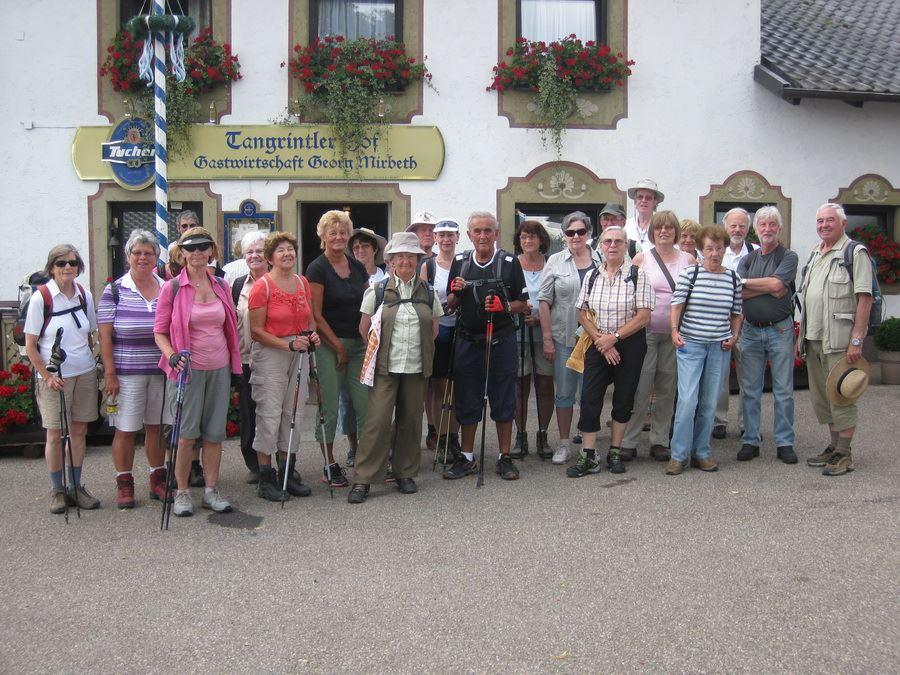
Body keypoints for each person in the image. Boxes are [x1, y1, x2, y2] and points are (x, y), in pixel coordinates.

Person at [348, 233, 443, 503]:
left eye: (410, 256)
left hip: (416, 366)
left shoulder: (428, 292)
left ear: (417, 260)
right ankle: (364, 478)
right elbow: (364, 329)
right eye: (399, 256)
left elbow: (434, 327)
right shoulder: (376, 291)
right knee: (377, 423)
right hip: (384, 367)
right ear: (390, 261)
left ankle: (404, 473)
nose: (405, 261)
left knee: (411, 422)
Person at [154, 227, 242, 516]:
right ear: (182, 253)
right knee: (186, 435)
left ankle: (211, 491)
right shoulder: (172, 287)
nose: (197, 253)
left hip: (219, 367)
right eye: (191, 248)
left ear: (212, 251)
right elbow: (159, 332)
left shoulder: (221, 286)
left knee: (215, 434)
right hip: (187, 370)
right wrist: (172, 355)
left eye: (203, 247)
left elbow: (229, 326)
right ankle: (181, 492)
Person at [444, 212, 528, 481]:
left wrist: (504, 306)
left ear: (495, 233)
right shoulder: (461, 262)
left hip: (501, 340)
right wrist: (456, 292)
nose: (482, 236)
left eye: (488, 231)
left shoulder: (509, 262)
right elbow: (451, 303)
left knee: (504, 397)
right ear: (469, 235)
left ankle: (505, 457)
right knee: (467, 397)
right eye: (477, 231)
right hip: (468, 341)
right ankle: (467, 457)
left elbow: (523, 303)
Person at [566, 226, 654, 477]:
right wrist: (601, 341)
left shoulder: (638, 275)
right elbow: (582, 311)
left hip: (629, 344)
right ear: (600, 246)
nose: (612, 245)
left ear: (626, 246)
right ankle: (589, 455)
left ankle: (615, 450)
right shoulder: (592, 276)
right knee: (590, 398)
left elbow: (644, 315)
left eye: (618, 241)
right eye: (607, 241)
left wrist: (613, 338)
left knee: (624, 398)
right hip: (597, 342)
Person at [797, 203, 874, 476]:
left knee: (842, 396)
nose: (824, 225)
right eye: (820, 221)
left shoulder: (855, 253)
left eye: (830, 220)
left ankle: (844, 452)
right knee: (824, 397)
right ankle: (833, 446)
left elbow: (865, 298)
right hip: (814, 338)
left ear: (843, 223)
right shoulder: (816, 254)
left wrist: (857, 339)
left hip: (839, 340)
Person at [24, 244, 101, 514]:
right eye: (60, 263)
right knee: (55, 434)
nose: (67, 267)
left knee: (79, 431)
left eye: (72, 262)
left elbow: (90, 332)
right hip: (55, 378)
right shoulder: (41, 298)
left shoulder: (84, 294)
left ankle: (75, 486)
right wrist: (46, 376)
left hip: (84, 372)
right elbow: (30, 345)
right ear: (51, 268)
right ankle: (57, 489)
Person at [97, 230, 169, 509]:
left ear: (156, 257)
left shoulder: (166, 287)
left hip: (161, 371)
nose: (142, 258)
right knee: (125, 429)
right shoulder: (114, 290)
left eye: (148, 253)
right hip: (126, 373)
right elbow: (105, 337)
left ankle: (157, 479)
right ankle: (124, 482)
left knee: (156, 427)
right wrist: (110, 374)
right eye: (137, 253)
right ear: (128, 257)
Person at [248, 231, 319, 501]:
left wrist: (312, 334)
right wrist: (287, 345)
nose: (287, 254)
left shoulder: (302, 283)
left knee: (294, 413)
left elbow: (309, 318)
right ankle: (266, 478)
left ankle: (287, 472)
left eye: (290, 249)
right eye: (281, 250)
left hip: (299, 351)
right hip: (272, 353)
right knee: (270, 413)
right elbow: (256, 331)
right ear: (270, 257)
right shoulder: (262, 286)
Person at [667, 225, 743, 476]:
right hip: (691, 344)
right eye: (709, 248)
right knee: (688, 401)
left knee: (709, 403)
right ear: (701, 249)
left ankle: (702, 452)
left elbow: (736, 312)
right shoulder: (691, 273)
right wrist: (674, 331)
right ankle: (679, 455)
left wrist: (734, 335)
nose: (714, 253)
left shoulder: (733, 278)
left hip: (719, 347)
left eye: (719, 248)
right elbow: (676, 305)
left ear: (725, 249)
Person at [620, 211, 695, 462]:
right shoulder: (641, 259)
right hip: (646, 332)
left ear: (675, 231)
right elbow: (628, 295)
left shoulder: (689, 260)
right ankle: (629, 441)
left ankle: (660, 441)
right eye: (659, 228)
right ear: (653, 232)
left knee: (666, 388)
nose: (664, 232)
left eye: (669, 228)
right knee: (640, 387)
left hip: (676, 334)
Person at [306, 210, 369, 487]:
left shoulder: (356, 266)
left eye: (343, 232)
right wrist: (337, 347)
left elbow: (369, 305)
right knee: (329, 406)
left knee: (365, 405)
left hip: (359, 345)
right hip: (330, 346)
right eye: (332, 232)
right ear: (323, 236)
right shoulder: (317, 268)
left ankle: (368, 461)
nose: (339, 237)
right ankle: (329, 463)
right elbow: (315, 315)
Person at [736, 206, 799, 464]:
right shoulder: (748, 259)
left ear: (779, 229)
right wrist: (770, 286)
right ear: (756, 229)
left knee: (783, 390)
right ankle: (751, 439)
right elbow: (738, 290)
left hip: (780, 329)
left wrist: (753, 285)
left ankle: (784, 442)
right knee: (750, 390)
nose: (767, 229)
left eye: (772, 224)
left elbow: (776, 285)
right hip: (750, 330)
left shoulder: (789, 256)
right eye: (763, 225)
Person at [538, 211, 602, 464]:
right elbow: (543, 301)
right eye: (570, 232)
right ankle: (563, 444)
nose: (576, 236)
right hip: (564, 338)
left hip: (594, 339)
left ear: (588, 234)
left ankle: (589, 445)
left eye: (581, 232)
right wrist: (546, 339)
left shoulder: (600, 259)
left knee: (590, 393)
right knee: (564, 393)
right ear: (564, 235)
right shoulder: (554, 261)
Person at [342, 227, 388, 464]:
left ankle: (379, 446)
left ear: (375, 250)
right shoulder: (346, 275)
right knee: (349, 398)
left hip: (382, 347)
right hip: (353, 342)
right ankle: (353, 445)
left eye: (365, 247)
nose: (360, 250)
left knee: (379, 398)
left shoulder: (387, 278)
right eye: (356, 247)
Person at [511, 219, 554, 459]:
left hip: (545, 332)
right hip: (517, 333)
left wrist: (540, 318)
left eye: (533, 237)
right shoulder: (512, 264)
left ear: (541, 240)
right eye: (524, 237)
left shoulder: (551, 264)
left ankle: (543, 434)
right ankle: (521, 435)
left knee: (545, 384)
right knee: (520, 385)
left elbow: (556, 297)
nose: (528, 241)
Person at [714, 207, 758, 439]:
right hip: (720, 323)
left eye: (742, 226)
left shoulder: (757, 252)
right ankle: (719, 420)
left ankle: (747, 424)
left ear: (748, 229)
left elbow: (760, 288)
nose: (737, 230)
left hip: (748, 322)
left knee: (748, 377)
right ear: (725, 226)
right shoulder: (715, 251)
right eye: (733, 225)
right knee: (719, 375)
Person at [420, 218, 461, 458]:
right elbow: (425, 300)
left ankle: (452, 436)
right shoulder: (429, 265)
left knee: (456, 387)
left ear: (457, 238)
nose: (446, 240)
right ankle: (438, 432)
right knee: (438, 386)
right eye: (442, 235)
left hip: (461, 330)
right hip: (438, 332)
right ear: (435, 239)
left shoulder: (464, 262)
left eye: (450, 235)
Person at [231, 230, 269, 483]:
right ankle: (254, 463)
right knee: (249, 413)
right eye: (250, 252)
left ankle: (281, 462)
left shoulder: (279, 281)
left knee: (276, 412)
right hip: (246, 360)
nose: (254, 255)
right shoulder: (236, 285)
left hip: (275, 358)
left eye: (259, 251)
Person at [624, 179, 664, 252]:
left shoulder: (662, 226)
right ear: (635, 201)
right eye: (640, 197)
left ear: (655, 202)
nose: (643, 200)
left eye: (648, 198)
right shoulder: (626, 225)